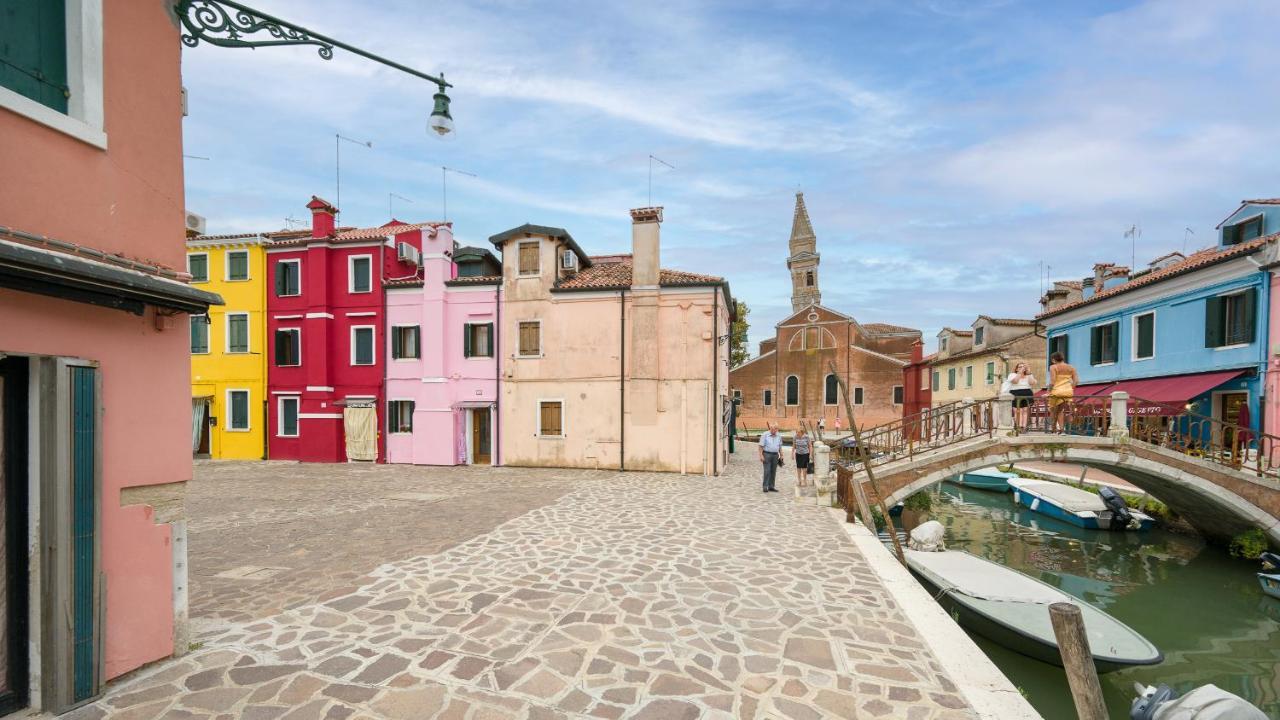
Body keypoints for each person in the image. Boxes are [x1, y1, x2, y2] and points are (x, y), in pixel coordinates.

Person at [1048, 352, 1078, 433]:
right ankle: (1062, 429)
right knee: (1061, 410)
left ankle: (1053, 428)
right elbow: (1076, 381)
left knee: (1052, 409)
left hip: (1056, 391)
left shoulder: (1053, 367)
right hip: (1067, 391)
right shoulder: (1071, 367)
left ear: (1054, 360)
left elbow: (1053, 381)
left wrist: (1048, 391)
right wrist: (1070, 388)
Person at [1006, 362, 1036, 431]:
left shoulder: (1028, 375)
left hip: (1027, 392)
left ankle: (1024, 427)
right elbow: (1015, 381)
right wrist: (1019, 373)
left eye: (1023, 367)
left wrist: (1029, 372)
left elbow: (1032, 383)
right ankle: (1018, 426)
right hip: (1015, 393)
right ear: (1016, 369)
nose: (1022, 368)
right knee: (1017, 411)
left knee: (1025, 411)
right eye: (1020, 367)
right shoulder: (1012, 374)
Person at [759, 423, 783, 493]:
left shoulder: (779, 436)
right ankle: (765, 486)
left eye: (775, 429)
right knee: (767, 471)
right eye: (771, 429)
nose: (773, 431)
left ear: (777, 429)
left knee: (773, 471)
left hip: (775, 455)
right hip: (766, 454)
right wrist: (761, 455)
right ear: (770, 429)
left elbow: (780, 446)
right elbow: (760, 446)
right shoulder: (765, 435)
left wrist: (781, 455)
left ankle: (771, 486)